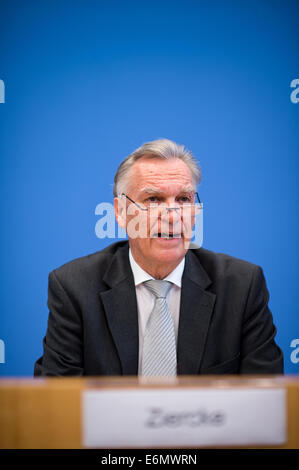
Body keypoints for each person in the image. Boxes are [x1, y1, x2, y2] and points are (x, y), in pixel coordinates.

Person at [34, 139, 283, 376]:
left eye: (184, 199)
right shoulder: (75, 287)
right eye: (153, 200)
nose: (173, 215)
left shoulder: (241, 286)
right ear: (121, 213)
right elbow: (56, 403)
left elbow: (265, 400)